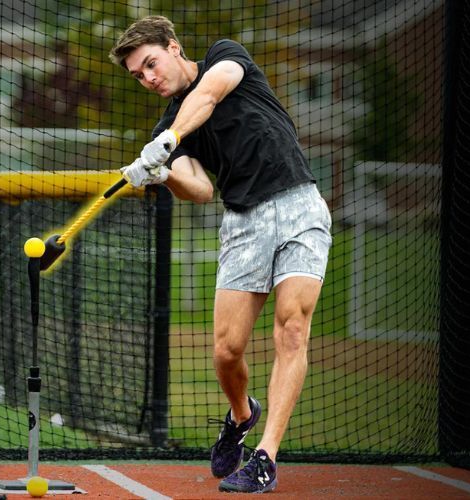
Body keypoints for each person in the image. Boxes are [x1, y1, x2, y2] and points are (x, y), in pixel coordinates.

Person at [110, 16, 332, 494]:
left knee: (292, 329)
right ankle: (241, 414)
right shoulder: (169, 127)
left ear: (173, 47)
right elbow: (201, 189)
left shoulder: (225, 57)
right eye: (137, 75)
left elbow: (208, 96)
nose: (148, 78)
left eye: (150, 64)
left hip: (300, 206)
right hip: (243, 222)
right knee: (227, 351)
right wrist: (161, 173)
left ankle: (265, 457)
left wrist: (164, 143)